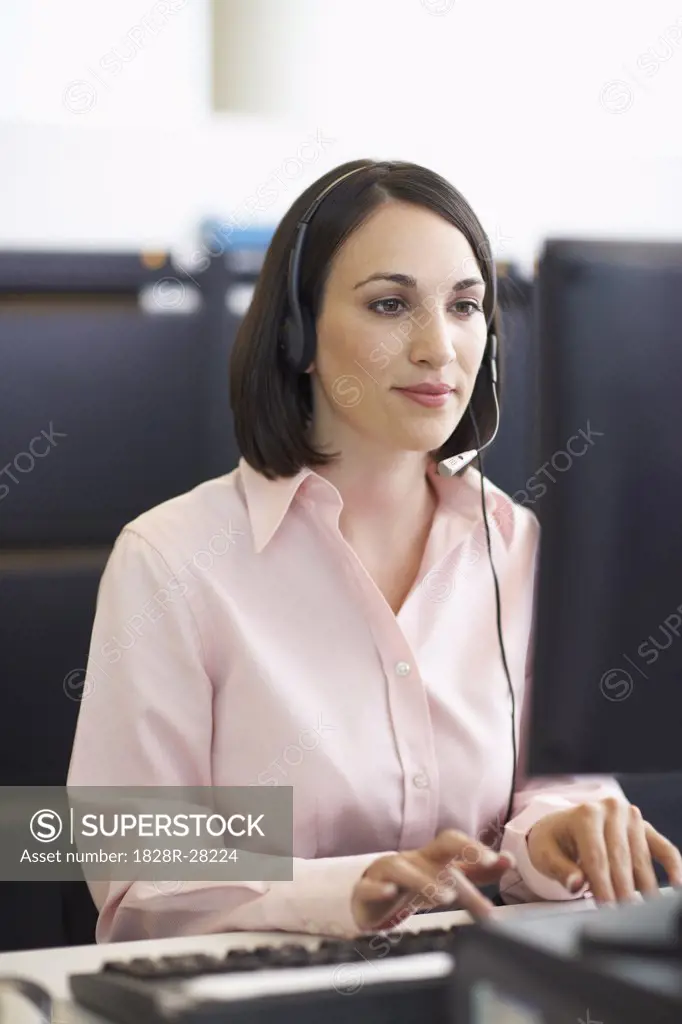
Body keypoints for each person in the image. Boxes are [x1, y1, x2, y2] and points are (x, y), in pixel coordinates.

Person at [67, 158, 682, 943]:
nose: (438, 347)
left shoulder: (518, 546)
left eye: (465, 307)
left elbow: (555, 784)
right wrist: (346, 889)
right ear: (299, 335)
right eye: (390, 305)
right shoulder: (174, 558)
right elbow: (137, 860)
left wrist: (556, 835)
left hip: (478, 982)